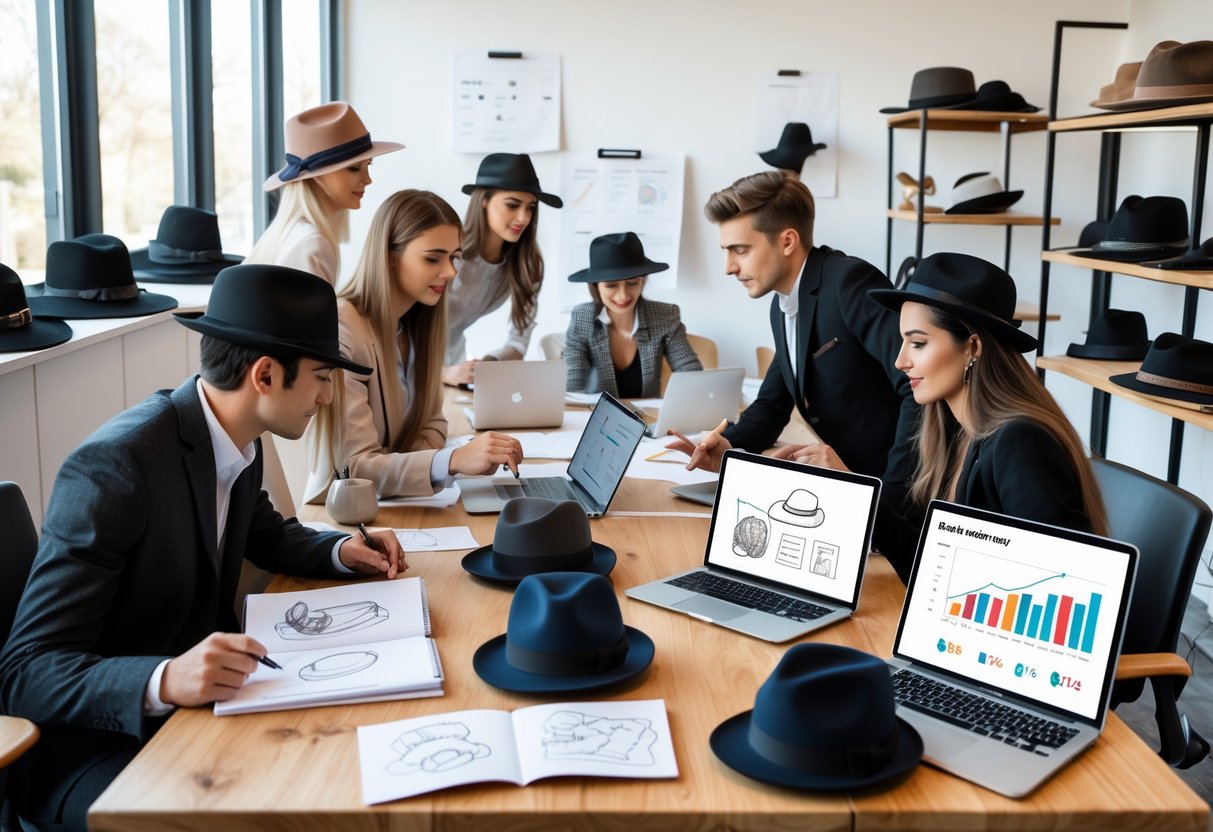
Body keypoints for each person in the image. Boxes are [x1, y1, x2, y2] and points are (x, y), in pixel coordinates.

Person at [0, 265, 405, 830]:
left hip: (203, 715)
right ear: (265, 375)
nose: (327, 393)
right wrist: (165, 678)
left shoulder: (237, 435)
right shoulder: (116, 466)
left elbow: (264, 531)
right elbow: (26, 673)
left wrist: (339, 552)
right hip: (97, 750)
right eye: (321, 375)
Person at [803, 252, 1107, 583]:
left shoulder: (1019, 443)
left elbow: (1063, 581)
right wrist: (856, 492)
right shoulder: (953, 431)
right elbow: (930, 563)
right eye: (903, 342)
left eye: (917, 343)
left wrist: (861, 495)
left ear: (973, 347)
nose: (900, 361)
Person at [670, 171, 917, 506]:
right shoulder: (781, 304)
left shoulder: (848, 283)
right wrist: (727, 445)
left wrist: (889, 495)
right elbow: (773, 404)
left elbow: (915, 386)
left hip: (896, 493)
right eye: (725, 250)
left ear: (787, 241)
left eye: (739, 250)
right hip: (850, 487)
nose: (728, 267)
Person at [303, 190, 523, 503]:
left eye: (454, 257)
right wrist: (452, 460)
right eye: (433, 258)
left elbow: (434, 423)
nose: (450, 272)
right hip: (347, 516)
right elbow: (354, 470)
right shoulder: (343, 328)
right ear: (389, 256)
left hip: (399, 504)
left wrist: (405, 465)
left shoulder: (418, 325)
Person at [245, 101, 403, 284]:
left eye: (368, 165)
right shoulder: (313, 245)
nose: (368, 179)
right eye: (354, 168)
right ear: (317, 177)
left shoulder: (288, 234)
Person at [442, 153, 562, 386]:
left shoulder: (527, 265)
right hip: (407, 365)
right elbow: (405, 328)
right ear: (483, 201)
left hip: (456, 367)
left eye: (530, 208)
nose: (523, 218)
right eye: (512, 205)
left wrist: (490, 363)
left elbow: (519, 342)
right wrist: (442, 373)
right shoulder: (450, 254)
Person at [564, 231, 702, 398]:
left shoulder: (665, 316)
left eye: (632, 283)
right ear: (595, 286)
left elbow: (692, 377)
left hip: (649, 419)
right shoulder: (581, 319)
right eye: (611, 285)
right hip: (599, 418)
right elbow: (573, 389)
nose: (623, 295)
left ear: (642, 280)